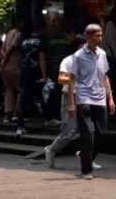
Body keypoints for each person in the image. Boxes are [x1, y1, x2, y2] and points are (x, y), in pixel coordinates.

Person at [67, 23, 115, 180]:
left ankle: (85, 155)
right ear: (88, 37)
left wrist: (110, 97)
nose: (100, 38)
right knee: (87, 134)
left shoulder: (102, 54)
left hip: (100, 98)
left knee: (102, 133)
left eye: (101, 35)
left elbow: (105, 77)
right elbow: (72, 79)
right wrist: (72, 103)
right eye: (97, 35)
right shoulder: (78, 56)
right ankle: (86, 170)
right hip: (84, 98)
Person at [44, 34, 85, 169]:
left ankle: (85, 153)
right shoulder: (68, 61)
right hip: (70, 96)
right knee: (69, 130)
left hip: (86, 97)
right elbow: (61, 79)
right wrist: (74, 78)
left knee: (90, 127)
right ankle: (51, 149)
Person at [17, 21, 49, 136]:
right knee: (45, 93)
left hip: (24, 72)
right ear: (41, 29)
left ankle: (20, 126)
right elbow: (42, 58)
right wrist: (44, 76)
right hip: (35, 72)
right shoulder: (40, 42)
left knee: (23, 97)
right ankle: (48, 117)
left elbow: (20, 57)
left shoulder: (24, 42)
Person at [0, 17, 24, 123]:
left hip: (5, 66)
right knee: (20, 88)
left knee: (8, 89)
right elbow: (12, 47)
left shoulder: (8, 33)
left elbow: (2, 49)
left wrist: (2, 61)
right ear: (18, 23)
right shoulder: (18, 34)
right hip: (14, 63)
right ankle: (16, 113)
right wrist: (7, 58)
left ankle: (7, 114)